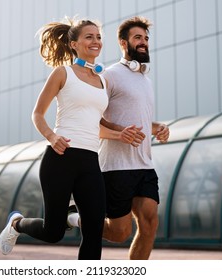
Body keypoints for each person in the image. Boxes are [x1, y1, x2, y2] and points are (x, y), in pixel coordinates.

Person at [0, 16, 137, 260]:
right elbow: (37, 114)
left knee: (94, 232)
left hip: (90, 162)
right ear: (74, 44)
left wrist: (119, 133)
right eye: (89, 37)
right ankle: (16, 224)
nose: (95, 41)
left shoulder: (103, 81)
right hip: (60, 158)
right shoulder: (63, 73)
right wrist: (52, 137)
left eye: (98, 37)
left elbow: (95, 125)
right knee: (53, 232)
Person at [67, 16, 170, 260]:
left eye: (146, 38)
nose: (144, 42)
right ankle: (75, 218)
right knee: (119, 232)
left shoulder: (146, 81)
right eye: (138, 38)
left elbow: (138, 120)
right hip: (115, 167)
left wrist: (158, 127)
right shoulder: (110, 76)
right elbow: (92, 117)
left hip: (144, 165)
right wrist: (119, 132)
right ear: (123, 43)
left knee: (149, 225)